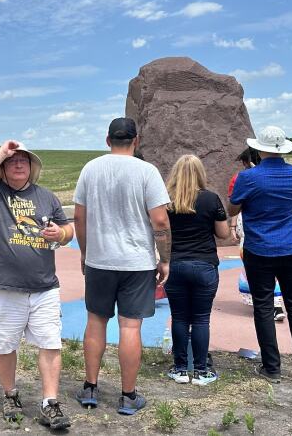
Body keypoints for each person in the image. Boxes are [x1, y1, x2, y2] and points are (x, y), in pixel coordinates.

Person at [0, 140, 74, 430]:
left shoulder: (47, 197)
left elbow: (68, 229)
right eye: (13, 161)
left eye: (24, 161)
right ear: (3, 168)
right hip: (3, 287)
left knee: (51, 343)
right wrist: (2, 151)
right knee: (3, 346)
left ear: (32, 168)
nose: (18, 165)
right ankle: (10, 395)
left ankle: (49, 404)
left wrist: (60, 233)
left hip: (44, 287)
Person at [73, 118, 171, 414]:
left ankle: (90, 387)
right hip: (136, 262)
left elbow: (79, 217)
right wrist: (164, 258)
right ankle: (127, 395)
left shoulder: (91, 169)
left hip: (100, 260)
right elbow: (160, 220)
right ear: (136, 141)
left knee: (96, 321)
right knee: (130, 326)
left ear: (107, 140)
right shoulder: (147, 172)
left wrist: (85, 253)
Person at [227, 126, 292, 384]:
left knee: (264, 307)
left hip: (260, 249)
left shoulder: (249, 178)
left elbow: (233, 205)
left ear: (259, 148)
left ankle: (272, 367)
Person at [163, 155, 230, 385]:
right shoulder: (211, 199)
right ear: (200, 173)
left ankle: (180, 368)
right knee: (201, 319)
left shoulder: (167, 200)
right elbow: (223, 234)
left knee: (179, 317)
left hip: (175, 264)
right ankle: (202, 370)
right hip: (205, 264)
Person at [231, 149, 285, 321]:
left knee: (257, 269)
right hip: (274, 231)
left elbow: (234, 206)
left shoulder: (244, 178)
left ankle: (270, 305)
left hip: (252, 231)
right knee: (271, 269)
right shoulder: (281, 176)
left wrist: (233, 226)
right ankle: (271, 304)